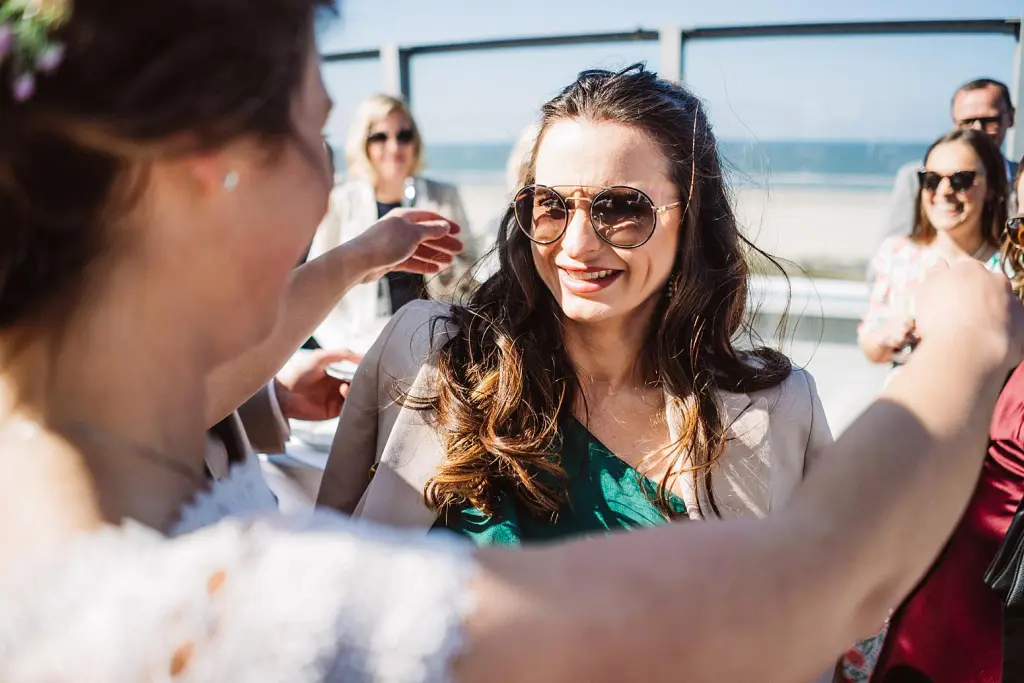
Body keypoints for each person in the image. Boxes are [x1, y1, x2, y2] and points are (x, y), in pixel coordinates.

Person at [2, 3, 1024, 682]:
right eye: (321, 139)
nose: (339, 182)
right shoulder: (261, 609)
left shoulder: (62, 442)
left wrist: (348, 260)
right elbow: (818, 580)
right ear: (199, 171)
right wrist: (972, 336)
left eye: (621, 207)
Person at [318, 66, 833, 539]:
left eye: (623, 208)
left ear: (692, 219)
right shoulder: (428, 355)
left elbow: (820, 612)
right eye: (550, 206)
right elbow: (326, 572)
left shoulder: (779, 410)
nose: (577, 246)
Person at [839, 158, 1024, 683]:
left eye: (962, 179)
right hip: (950, 576)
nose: (944, 191)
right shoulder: (1006, 315)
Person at [307, 93, 479, 352]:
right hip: (359, 346)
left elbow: (469, 271)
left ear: (415, 143)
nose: (394, 146)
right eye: (380, 137)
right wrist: (347, 349)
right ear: (363, 144)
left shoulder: (443, 197)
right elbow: (316, 285)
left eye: (404, 136)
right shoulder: (341, 202)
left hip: (431, 340)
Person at [859, 129, 1010, 366]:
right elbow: (870, 349)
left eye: (961, 180)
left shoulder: (1010, 264)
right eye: (931, 180)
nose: (944, 191)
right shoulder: (897, 254)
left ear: (991, 187)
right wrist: (888, 336)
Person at [877, 78, 1018, 249]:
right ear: (954, 124)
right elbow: (889, 252)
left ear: (1011, 117)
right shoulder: (917, 178)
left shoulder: (1021, 180)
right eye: (967, 122)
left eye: (989, 120)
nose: (978, 129)